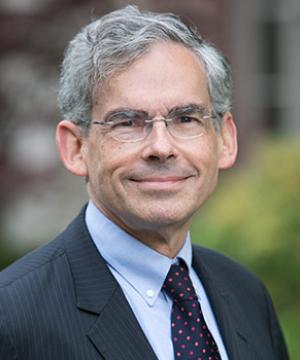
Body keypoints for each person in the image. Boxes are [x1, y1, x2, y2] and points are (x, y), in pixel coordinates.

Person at [0, 5, 289, 360]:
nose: (161, 147)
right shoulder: (12, 319)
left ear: (225, 139)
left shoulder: (247, 296)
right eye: (127, 122)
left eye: (185, 118)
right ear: (76, 148)